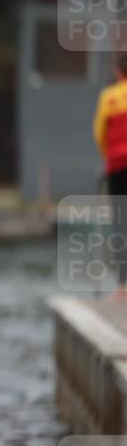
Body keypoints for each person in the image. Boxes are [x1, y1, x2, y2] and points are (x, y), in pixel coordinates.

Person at [93, 52, 127, 301]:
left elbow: (100, 134)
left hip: (117, 167)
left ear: (117, 70)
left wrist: (111, 159)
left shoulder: (108, 97)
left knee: (121, 224)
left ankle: (123, 287)